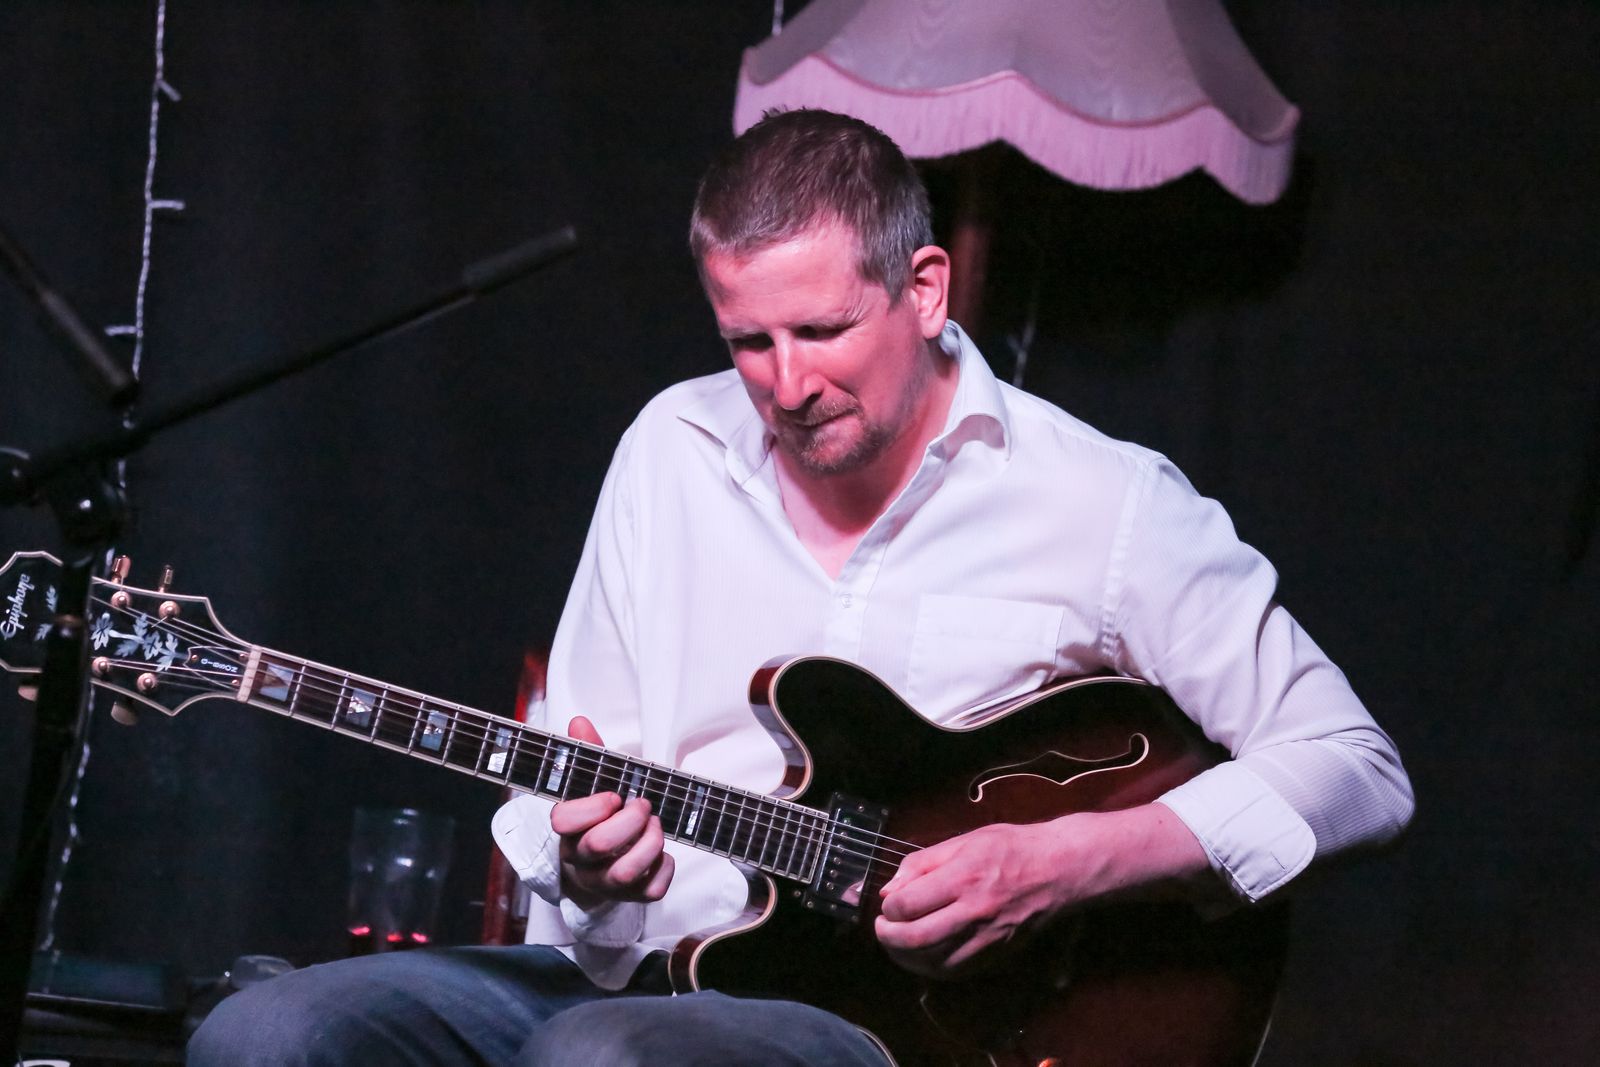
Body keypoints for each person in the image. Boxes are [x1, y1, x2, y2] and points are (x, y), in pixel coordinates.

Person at [189, 108, 1412, 1066]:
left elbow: (1356, 767)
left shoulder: (1101, 499)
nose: (784, 384)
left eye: (821, 331)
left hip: (896, 1020)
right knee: (267, 1032)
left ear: (923, 288)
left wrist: (1064, 859)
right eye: (748, 341)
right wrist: (592, 870)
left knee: (602, 1054)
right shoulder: (671, 450)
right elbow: (580, 772)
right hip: (648, 976)